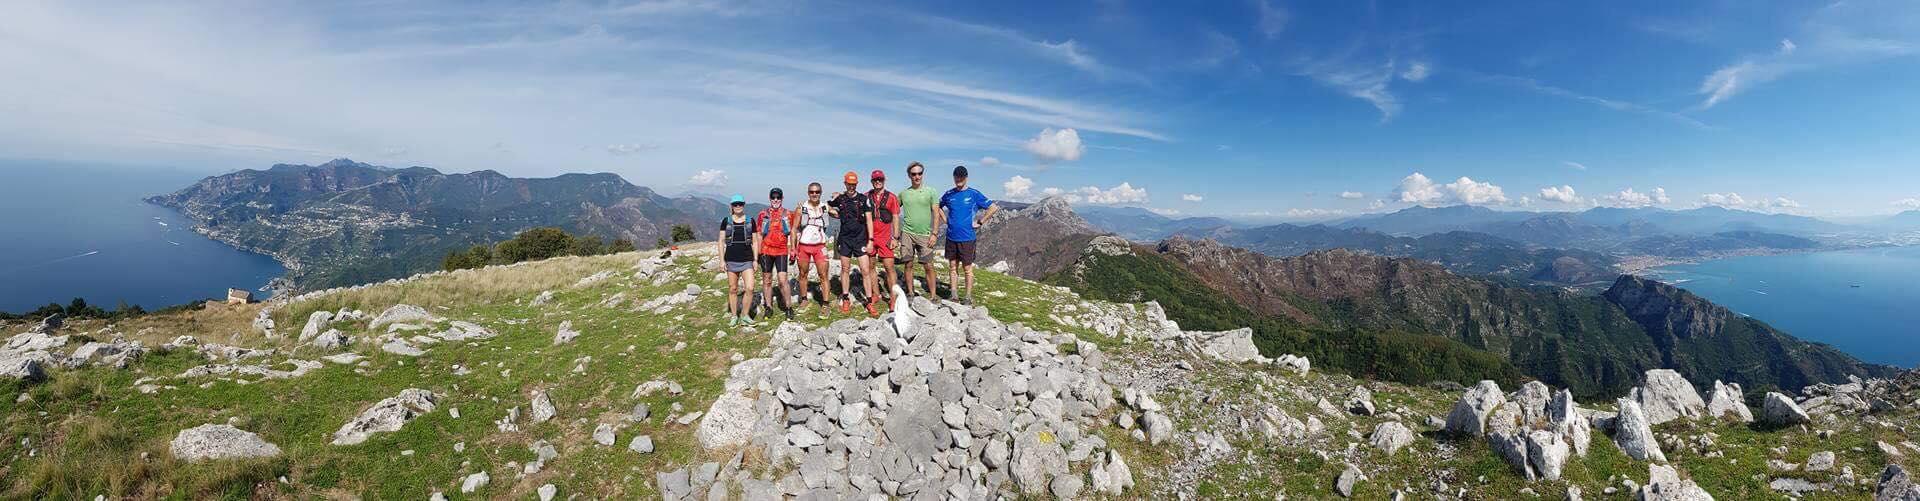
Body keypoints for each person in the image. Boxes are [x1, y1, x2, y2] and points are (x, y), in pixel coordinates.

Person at [938, 165, 998, 305]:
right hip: (951, 236)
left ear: (966, 177)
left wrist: (981, 221)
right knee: (952, 267)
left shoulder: (973, 194)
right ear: (954, 177)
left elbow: (993, 207)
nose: (958, 179)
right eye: (956, 176)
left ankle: (968, 297)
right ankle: (954, 295)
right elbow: (937, 206)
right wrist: (945, 219)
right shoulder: (949, 194)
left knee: (967, 269)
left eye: (961, 176)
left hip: (967, 238)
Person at [827, 170, 878, 317]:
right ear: (845, 184)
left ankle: (869, 301)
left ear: (857, 184)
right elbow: (827, 206)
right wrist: (835, 212)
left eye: (853, 184)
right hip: (845, 239)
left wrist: (871, 241)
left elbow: (869, 220)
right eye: (849, 184)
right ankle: (846, 298)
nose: (851, 186)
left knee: (865, 270)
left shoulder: (863, 199)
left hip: (861, 239)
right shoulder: (840, 199)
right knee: (845, 269)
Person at [894, 162, 941, 298]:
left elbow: (936, 213)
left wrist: (934, 234)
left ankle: (933, 296)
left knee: (928, 266)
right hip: (907, 234)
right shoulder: (904, 194)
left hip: (925, 234)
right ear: (909, 175)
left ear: (922, 174)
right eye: (914, 174)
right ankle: (910, 293)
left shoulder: (931, 192)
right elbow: (893, 209)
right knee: (908, 264)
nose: (917, 176)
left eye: (920, 173)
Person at [791, 182, 833, 318]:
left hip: (820, 246)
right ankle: (804, 300)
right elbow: (794, 229)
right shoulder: (801, 208)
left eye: (817, 192)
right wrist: (793, 248)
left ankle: (825, 304)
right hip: (804, 246)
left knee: (823, 275)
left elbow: (839, 213)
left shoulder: (825, 207)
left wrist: (839, 199)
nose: (814, 194)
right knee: (803, 274)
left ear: (821, 193)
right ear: (808, 193)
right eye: (812, 192)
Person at [754, 187, 795, 320]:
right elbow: (759, 234)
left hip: (781, 250)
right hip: (766, 250)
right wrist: (758, 253)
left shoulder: (788, 214)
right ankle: (768, 307)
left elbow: (793, 232)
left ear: (782, 198)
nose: (775, 200)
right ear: (770, 198)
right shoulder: (763, 214)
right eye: (773, 197)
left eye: (778, 197)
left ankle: (789, 307)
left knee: (783, 280)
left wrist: (793, 249)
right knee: (767, 279)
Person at [717, 195, 757, 326]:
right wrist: (721, 261)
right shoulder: (726, 221)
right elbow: (721, 241)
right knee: (733, 289)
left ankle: (744, 315)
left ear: (744, 205)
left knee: (750, 288)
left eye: (740, 204)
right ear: (732, 206)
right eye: (735, 204)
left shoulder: (750, 221)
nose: (738, 206)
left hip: (747, 260)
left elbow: (755, 241)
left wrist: (755, 259)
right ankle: (734, 316)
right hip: (731, 259)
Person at [867, 169, 901, 309]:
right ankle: (876, 294)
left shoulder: (891, 197)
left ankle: (893, 299)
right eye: (875, 180)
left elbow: (895, 217)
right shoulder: (866, 196)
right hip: (870, 237)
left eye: (880, 179)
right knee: (870, 266)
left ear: (884, 180)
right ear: (872, 181)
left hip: (885, 237)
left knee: (889, 267)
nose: (878, 182)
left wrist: (895, 237)